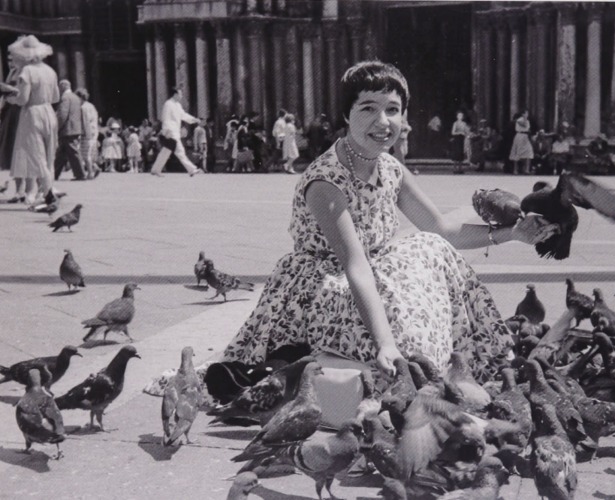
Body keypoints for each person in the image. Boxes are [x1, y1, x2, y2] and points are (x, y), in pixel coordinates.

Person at [146, 61, 557, 396]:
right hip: (319, 286)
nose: (384, 121)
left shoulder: (391, 167)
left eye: (393, 109)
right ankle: (406, 371)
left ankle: (425, 370)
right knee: (400, 312)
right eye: (368, 108)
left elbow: (443, 229)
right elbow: (355, 266)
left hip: (368, 274)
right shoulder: (326, 180)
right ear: (346, 115)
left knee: (431, 249)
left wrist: (513, 234)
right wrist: (385, 343)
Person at [5, 35, 60, 206]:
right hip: (49, 111)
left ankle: (48, 192)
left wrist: (10, 98)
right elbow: (55, 96)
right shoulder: (50, 71)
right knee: (49, 155)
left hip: (32, 114)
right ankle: (45, 191)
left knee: (37, 155)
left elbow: (23, 99)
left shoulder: (27, 71)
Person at [150, 86, 202, 177]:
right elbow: (165, 118)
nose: (181, 96)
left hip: (175, 132)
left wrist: (194, 119)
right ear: (175, 94)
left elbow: (183, 115)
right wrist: (166, 131)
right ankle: (192, 169)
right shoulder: (168, 104)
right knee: (180, 151)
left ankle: (155, 169)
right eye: (180, 94)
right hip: (171, 132)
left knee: (166, 151)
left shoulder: (177, 105)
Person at [0, 52, 25, 201]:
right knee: (14, 152)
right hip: (10, 113)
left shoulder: (24, 71)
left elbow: (22, 93)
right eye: (8, 60)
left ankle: (23, 190)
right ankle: (19, 189)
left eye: (13, 59)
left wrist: (10, 91)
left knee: (19, 151)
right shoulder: (13, 71)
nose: (10, 62)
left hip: (18, 113)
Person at [54, 79, 85, 181]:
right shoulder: (76, 97)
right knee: (61, 153)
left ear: (62, 87)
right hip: (74, 128)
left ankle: (80, 174)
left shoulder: (65, 97)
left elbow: (62, 114)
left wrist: (57, 128)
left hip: (67, 129)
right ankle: (54, 174)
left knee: (72, 152)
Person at [75, 88, 99, 179]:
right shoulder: (91, 106)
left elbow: (85, 121)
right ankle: (94, 168)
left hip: (86, 133)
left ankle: (90, 172)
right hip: (93, 132)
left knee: (85, 155)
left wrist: (83, 134)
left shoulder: (83, 107)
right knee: (86, 153)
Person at [509, 110, 534, 174]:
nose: (527, 114)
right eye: (526, 113)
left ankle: (527, 169)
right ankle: (515, 170)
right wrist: (525, 118)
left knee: (529, 151)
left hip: (525, 136)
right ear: (523, 114)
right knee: (517, 152)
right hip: (520, 136)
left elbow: (527, 128)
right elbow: (524, 125)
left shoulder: (527, 120)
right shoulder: (520, 120)